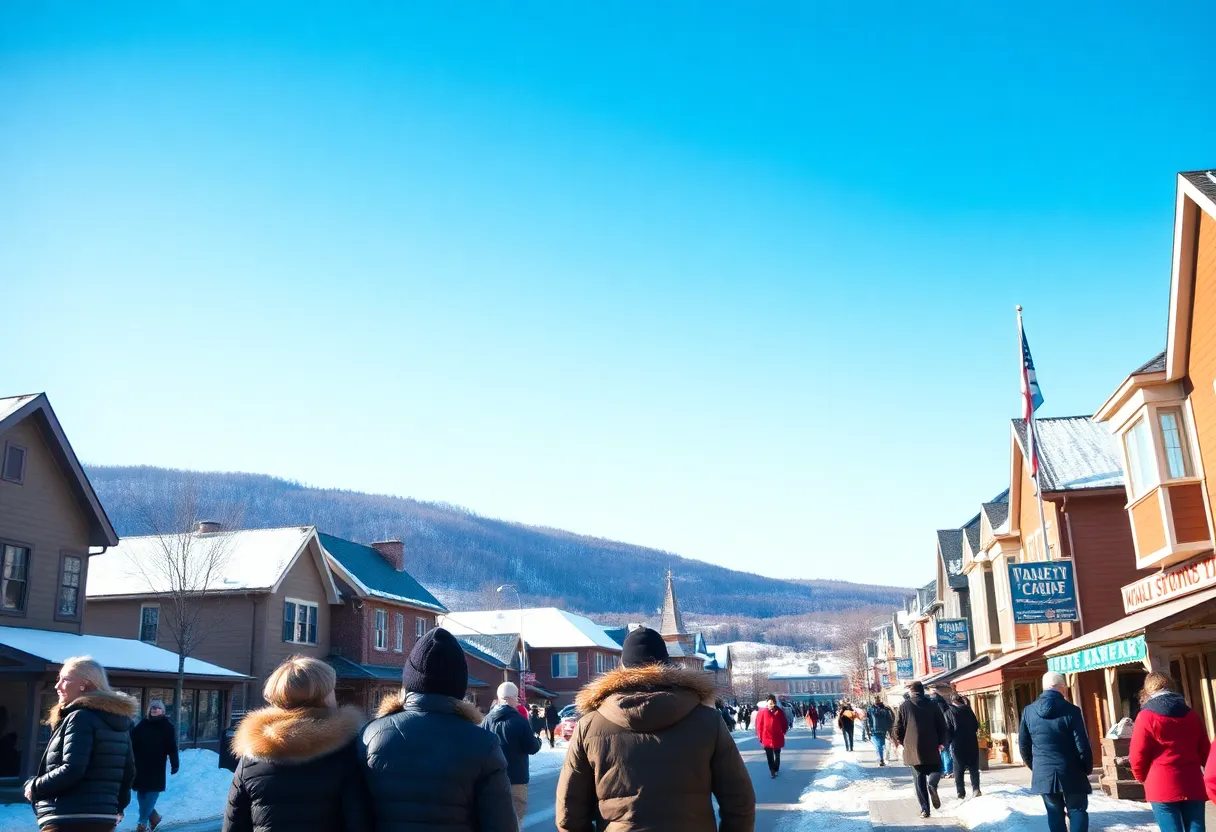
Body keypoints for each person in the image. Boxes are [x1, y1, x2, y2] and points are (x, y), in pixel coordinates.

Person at [556, 627, 754, 831]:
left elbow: (569, 812)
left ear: (621, 668)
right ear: (668, 665)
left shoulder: (590, 726)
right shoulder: (707, 720)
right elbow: (739, 799)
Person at [361, 628, 517, 832]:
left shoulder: (370, 735)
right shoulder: (484, 744)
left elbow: (356, 816)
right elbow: (501, 825)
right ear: (459, 684)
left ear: (409, 681)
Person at [224, 656, 369, 832]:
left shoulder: (253, 755)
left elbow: (234, 823)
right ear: (323, 697)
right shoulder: (349, 750)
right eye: (331, 690)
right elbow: (358, 821)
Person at [24, 656, 137, 832]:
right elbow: (128, 772)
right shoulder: (119, 721)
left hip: (68, 817)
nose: (57, 686)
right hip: (104, 819)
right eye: (58, 679)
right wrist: (117, 808)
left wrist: (34, 786)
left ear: (85, 684)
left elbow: (72, 768)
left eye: (65, 679)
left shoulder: (80, 717)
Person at [1131, 672, 1209, 832]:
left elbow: (1138, 754)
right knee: (1197, 827)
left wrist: (1141, 776)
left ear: (1148, 691)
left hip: (1161, 783)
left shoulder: (1146, 716)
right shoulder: (1192, 715)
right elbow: (1206, 751)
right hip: (1192, 781)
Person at [1018, 671, 1094, 832]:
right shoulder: (1072, 710)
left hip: (1044, 772)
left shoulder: (1028, 711)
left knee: (1054, 814)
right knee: (1077, 810)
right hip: (1071, 769)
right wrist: (1086, 767)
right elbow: (1082, 743)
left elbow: (1023, 745)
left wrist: (1036, 766)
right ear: (1061, 688)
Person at [482, 681, 542, 827]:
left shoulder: (486, 721)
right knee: (515, 820)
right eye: (517, 698)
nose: (517, 701)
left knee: (495, 822)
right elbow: (531, 747)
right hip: (516, 779)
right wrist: (538, 741)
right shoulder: (520, 721)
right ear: (511, 698)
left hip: (491, 780)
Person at [894, 680, 947, 819]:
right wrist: (942, 742)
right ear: (922, 691)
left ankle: (925, 809)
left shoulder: (904, 706)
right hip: (932, 744)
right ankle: (933, 784)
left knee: (919, 779)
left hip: (913, 748)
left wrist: (901, 742)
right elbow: (942, 725)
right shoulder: (933, 704)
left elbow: (897, 727)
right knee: (936, 768)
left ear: (911, 691)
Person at [129, 699, 179, 832]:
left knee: (151, 795)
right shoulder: (142, 724)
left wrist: (175, 764)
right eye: (152, 708)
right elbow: (132, 741)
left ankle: (142, 824)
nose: (155, 710)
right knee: (141, 794)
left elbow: (172, 747)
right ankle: (154, 818)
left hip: (156, 766)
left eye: (157, 708)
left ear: (163, 711)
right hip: (140, 765)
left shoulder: (167, 726)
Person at [945, 694, 982, 799]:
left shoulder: (948, 712)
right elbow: (976, 726)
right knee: (973, 767)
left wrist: (948, 742)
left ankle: (960, 792)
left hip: (958, 743)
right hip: (971, 741)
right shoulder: (969, 711)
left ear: (952, 701)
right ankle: (976, 789)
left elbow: (948, 730)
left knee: (958, 768)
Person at [755, 694, 790, 779]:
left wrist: (784, 731)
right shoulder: (763, 712)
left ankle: (776, 768)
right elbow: (759, 724)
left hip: (777, 737)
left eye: (772, 703)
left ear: (775, 703)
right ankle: (772, 770)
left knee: (777, 755)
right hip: (766, 737)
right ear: (767, 703)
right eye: (769, 703)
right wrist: (760, 736)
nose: (771, 704)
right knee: (769, 756)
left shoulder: (779, 711)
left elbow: (784, 723)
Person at [929, 685, 955, 778]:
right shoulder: (945, 706)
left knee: (944, 751)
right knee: (945, 751)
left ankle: (947, 770)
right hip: (946, 732)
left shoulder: (935, 707)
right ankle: (946, 770)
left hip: (942, 732)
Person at [867, 696, 894, 768]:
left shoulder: (884, 709)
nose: (877, 701)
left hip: (881, 730)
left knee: (880, 745)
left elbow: (889, 720)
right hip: (876, 730)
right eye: (876, 700)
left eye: (877, 700)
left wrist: (890, 730)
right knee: (879, 745)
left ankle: (881, 758)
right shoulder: (871, 709)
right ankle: (881, 759)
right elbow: (868, 720)